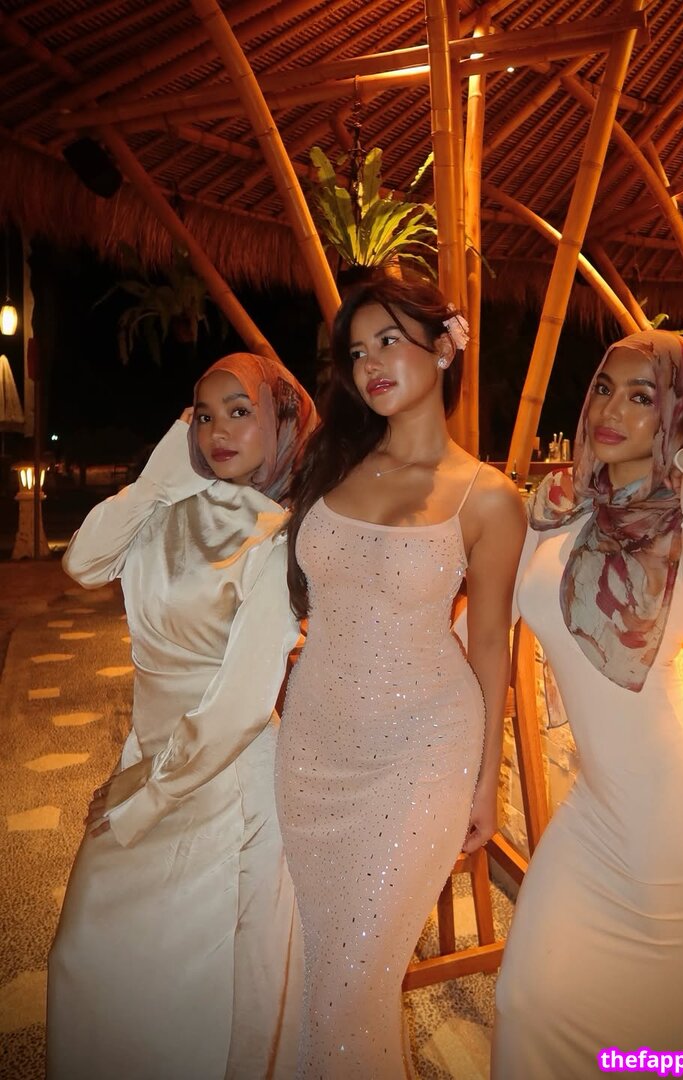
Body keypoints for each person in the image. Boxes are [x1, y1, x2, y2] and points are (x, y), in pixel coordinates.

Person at [491, 331, 683, 1077]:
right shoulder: (561, 507)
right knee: (527, 1001)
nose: (611, 409)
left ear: (680, 413)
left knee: (672, 1035)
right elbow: (484, 625)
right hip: (602, 804)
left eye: (643, 396)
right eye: (604, 389)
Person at [275, 277, 526, 1077]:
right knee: (323, 974)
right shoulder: (331, 461)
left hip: (421, 749)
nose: (371, 364)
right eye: (358, 352)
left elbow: (488, 647)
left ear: (445, 347)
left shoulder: (488, 497)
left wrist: (484, 782)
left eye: (390, 340)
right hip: (311, 747)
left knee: (353, 983)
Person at [46, 352, 317, 1080]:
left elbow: (242, 703)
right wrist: (160, 477)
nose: (217, 430)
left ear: (281, 423)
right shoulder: (167, 509)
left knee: (196, 993)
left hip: (223, 779)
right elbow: (82, 564)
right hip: (147, 754)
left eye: (240, 411)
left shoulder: (280, 538)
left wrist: (147, 794)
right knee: (90, 957)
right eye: (202, 415)